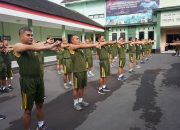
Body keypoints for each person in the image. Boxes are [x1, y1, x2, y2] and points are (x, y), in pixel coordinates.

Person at [12, 27, 60, 130]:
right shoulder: (17, 46)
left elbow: (36, 45)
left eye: (32, 35)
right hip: (27, 82)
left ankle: (40, 125)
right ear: (21, 36)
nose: (31, 37)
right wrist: (49, 45)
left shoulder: (33, 46)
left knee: (40, 105)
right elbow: (33, 47)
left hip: (39, 80)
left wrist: (48, 44)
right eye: (28, 35)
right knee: (27, 110)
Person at [68, 35, 99, 111]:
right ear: (72, 41)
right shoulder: (71, 47)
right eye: (77, 38)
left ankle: (81, 100)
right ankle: (75, 103)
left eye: (79, 38)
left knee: (82, 87)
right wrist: (94, 44)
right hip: (77, 72)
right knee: (76, 88)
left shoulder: (80, 48)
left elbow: (82, 46)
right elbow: (82, 46)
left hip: (83, 71)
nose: (79, 40)